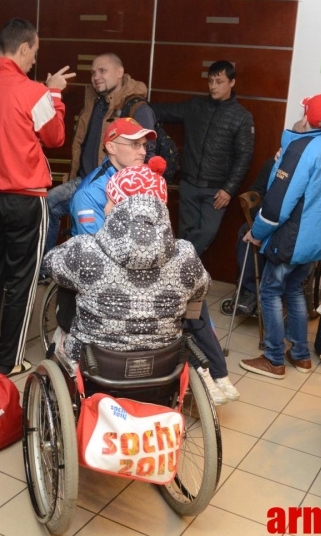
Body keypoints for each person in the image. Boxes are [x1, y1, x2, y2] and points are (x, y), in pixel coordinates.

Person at [65, 118, 238, 404]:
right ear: (110, 146)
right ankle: (209, 372)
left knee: (190, 293)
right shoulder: (90, 192)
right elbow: (96, 251)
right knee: (178, 288)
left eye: (144, 145)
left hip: (144, 267)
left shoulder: (146, 179)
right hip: (108, 274)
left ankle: (212, 371)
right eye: (133, 144)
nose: (143, 151)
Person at [0, 17, 74, 376]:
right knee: (22, 282)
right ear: (23, 48)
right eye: (34, 53)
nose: (34, 61)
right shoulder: (33, 91)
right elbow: (55, 137)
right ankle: (9, 362)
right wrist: (53, 92)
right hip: (25, 198)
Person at [43, 165, 209, 360]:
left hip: (96, 363)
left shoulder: (86, 250)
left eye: (109, 200)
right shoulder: (185, 253)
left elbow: (50, 263)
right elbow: (201, 290)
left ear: (118, 205)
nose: (105, 207)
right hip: (163, 364)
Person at [241, 94, 321, 379]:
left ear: (310, 117)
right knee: (295, 289)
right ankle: (300, 356)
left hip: (294, 238)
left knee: (271, 291)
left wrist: (257, 232)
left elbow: (277, 204)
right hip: (318, 239)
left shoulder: (302, 150)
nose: (299, 117)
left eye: (304, 112)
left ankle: (274, 359)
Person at [42, 53, 156, 267]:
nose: (96, 77)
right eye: (93, 72)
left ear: (120, 72)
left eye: (103, 71)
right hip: (85, 179)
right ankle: (49, 267)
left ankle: (66, 267)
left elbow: (146, 155)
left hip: (114, 186)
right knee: (47, 205)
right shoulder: (94, 102)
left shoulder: (137, 108)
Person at [151, 60, 254, 254]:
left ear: (232, 82)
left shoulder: (242, 117)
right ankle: (182, 276)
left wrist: (229, 189)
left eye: (219, 81)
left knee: (207, 231)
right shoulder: (195, 105)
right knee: (184, 234)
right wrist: (136, 107)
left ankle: (177, 264)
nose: (213, 86)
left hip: (216, 190)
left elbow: (244, 156)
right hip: (189, 184)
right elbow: (165, 111)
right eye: (210, 81)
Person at [233, 156, 275, 315]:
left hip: (288, 225)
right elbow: (255, 192)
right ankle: (249, 290)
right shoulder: (271, 164)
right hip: (265, 217)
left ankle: (265, 292)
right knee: (245, 235)